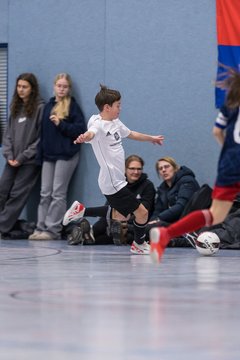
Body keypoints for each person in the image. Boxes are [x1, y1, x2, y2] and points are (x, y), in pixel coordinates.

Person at [150, 66, 240, 262]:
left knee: (215, 215)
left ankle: (166, 233)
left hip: (229, 164)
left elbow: (217, 132)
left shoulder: (230, 104)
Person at [63, 84, 164, 254]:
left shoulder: (115, 123)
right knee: (142, 212)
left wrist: (150, 138)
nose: (120, 108)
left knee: (122, 215)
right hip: (112, 182)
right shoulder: (98, 124)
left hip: (117, 180)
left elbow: (131, 133)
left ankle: (81, 211)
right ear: (107, 107)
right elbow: (92, 133)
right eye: (118, 105)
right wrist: (84, 136)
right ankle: (139, 245)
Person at [29, 73, 86, 240]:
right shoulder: (48, 106)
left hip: (66, 155)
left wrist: (61, 124)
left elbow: (79, 130)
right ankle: (40, 228)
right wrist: (40, 155)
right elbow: (43, 134)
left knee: (58, 194)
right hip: (48, 155)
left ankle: (52, 230)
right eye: (59, 85)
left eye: (65, 86)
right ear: (54, 87)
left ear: (69, 89)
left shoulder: (72, 107)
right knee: (45, 193)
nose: (61, 89)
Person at [65, 154, 156, 245]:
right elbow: (109, 208)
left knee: (122, 232)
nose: (136, 172)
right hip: (116, 220)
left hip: (134, 223)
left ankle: (86, 235)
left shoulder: (147, 185)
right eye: (132, 168)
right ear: (125, 169)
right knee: (106, 222)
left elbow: (145, 208)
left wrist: (125, 222)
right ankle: (88, 233)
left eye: (139, 169)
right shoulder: (119, 185)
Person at [0, 73, 44, 237]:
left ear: (32, 89)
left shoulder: (40, 108)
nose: (21, 90)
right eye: (19, 86)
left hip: (29, 162)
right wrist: (9, 155)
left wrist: (22, 157)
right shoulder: (16, 108)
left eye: (25, 87)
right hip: (11, 160)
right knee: (2, 190)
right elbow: (8, 135)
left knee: (17, 195)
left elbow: (40, 139)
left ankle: (3, 227)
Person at [145, 156, 200, 242]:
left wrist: (158, 219)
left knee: (151, 229)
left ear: (175, 168)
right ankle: (126, 232)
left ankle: (128, 230)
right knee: (144, 229)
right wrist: (152, 221)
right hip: (170, 223)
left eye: (166, 167)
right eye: (160, 169)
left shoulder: (187, 181)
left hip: (186, 223)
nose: (163, 170)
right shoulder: (162, 189)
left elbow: (181, 206)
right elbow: (157, 211)